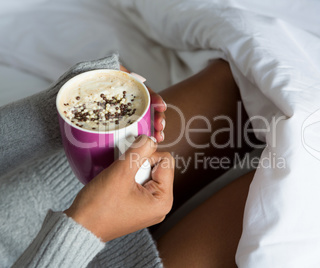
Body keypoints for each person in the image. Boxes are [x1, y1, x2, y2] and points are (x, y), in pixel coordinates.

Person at [0, 54, 259, 267]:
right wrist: (86, 228)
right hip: (64, 251)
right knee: (282, 188)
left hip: (21, 200)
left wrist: (65, 108)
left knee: (250, 79)